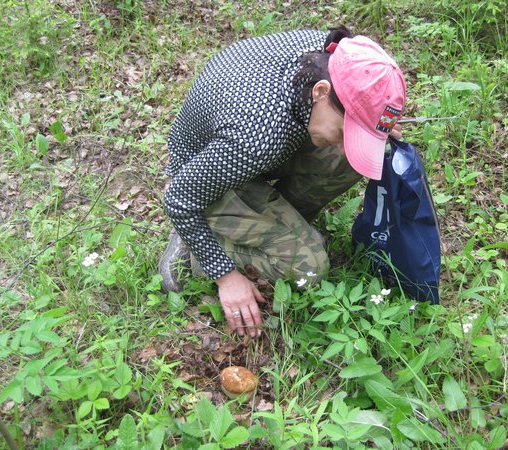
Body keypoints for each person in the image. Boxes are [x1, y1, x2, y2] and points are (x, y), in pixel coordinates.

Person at [159, 26, 406, 338]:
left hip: (257, 150)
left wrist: (374, 128)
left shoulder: (336, 57)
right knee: (310, 267)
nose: (345, 144)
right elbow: (179, 198)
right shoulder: (254, 136)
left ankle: (283, 226)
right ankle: (195, 249)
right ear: (320, 92)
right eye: (346, 133)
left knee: (348, 160)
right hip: (204, 177)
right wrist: (225, 276)